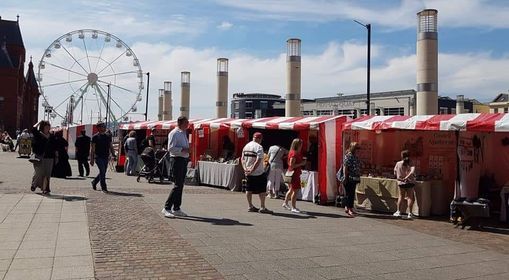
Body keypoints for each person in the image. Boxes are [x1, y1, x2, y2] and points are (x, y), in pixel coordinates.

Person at [162, 116, 190, 218]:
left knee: (181, 184)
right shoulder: (174, 133)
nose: (188, 125)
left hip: (183, 159)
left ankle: (176, 208)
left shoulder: (183, 133)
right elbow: (171, 148)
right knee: (177, 184)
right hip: (177, 160)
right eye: (186, 123)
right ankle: (167, 207)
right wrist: (183, 150)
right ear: (181, 123)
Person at [241, 132, 272, 214]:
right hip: (258, 172)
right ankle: (262, 207)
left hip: (247, 172)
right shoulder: (259, 147)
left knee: (249, 189)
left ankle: (250, 206)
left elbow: (242, 158)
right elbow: (258, 160)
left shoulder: (246, 146)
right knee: (262, 190)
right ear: (260, 139)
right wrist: (252, 169)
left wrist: (245, 168)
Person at [30, 121, 58, 194]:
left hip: (50, 156)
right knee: (39, 172)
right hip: (39, 156)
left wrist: (56, 156)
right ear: (42, 127)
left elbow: (55, 146)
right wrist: (39, 122)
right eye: (46, 127)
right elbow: (33, 128)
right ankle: (34, 184)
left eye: (49, 127)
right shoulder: (38, 134)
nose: (48, 128)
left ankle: (46, 188)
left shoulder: (52, 136)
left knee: (47, 173)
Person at [90, 122, 116, 192]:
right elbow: (92, 149)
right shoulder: (95, 137)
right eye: (103, 126)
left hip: (106, 156)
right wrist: (91, 159)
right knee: (102, 171)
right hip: (98, 157)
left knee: (103, 172)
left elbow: (111, 146)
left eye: (104, 126)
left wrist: (113, 154)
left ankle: (94, 182)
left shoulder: (108, 136)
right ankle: (104, 187)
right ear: (98, 128)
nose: (104, 128)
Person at [282, 139, 306, 213]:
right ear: (298, 145)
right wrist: (301, 164)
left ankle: (285, 203)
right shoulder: (294, 154)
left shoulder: (293, 152)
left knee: (291, 189)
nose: (302, 146)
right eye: (301, 144)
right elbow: (292, 165)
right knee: (295, 191)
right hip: (294, 174)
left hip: (293, 173)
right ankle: (293, 207)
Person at [393, 150, 416, 219]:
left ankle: (398, 211)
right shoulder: (411, 163)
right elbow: (412, 172)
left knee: (401, 197)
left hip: (401, 182)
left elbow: (395, 173)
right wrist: (407, 177)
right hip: (410, 182)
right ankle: (410, 213)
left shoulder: (398, 163)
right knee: (410, 197)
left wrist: (402, 177)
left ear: (401, 156)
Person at [343, 142, 361, 217]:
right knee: (350, 194)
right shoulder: (348, 156)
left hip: (354, 177)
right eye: (357, 148)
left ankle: (348, 207)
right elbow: (345, 167)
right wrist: (345, 177)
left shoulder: (354, 156)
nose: (358, 150)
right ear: (353, 148)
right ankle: (349, 208)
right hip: (349, 177)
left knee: (351, 193)